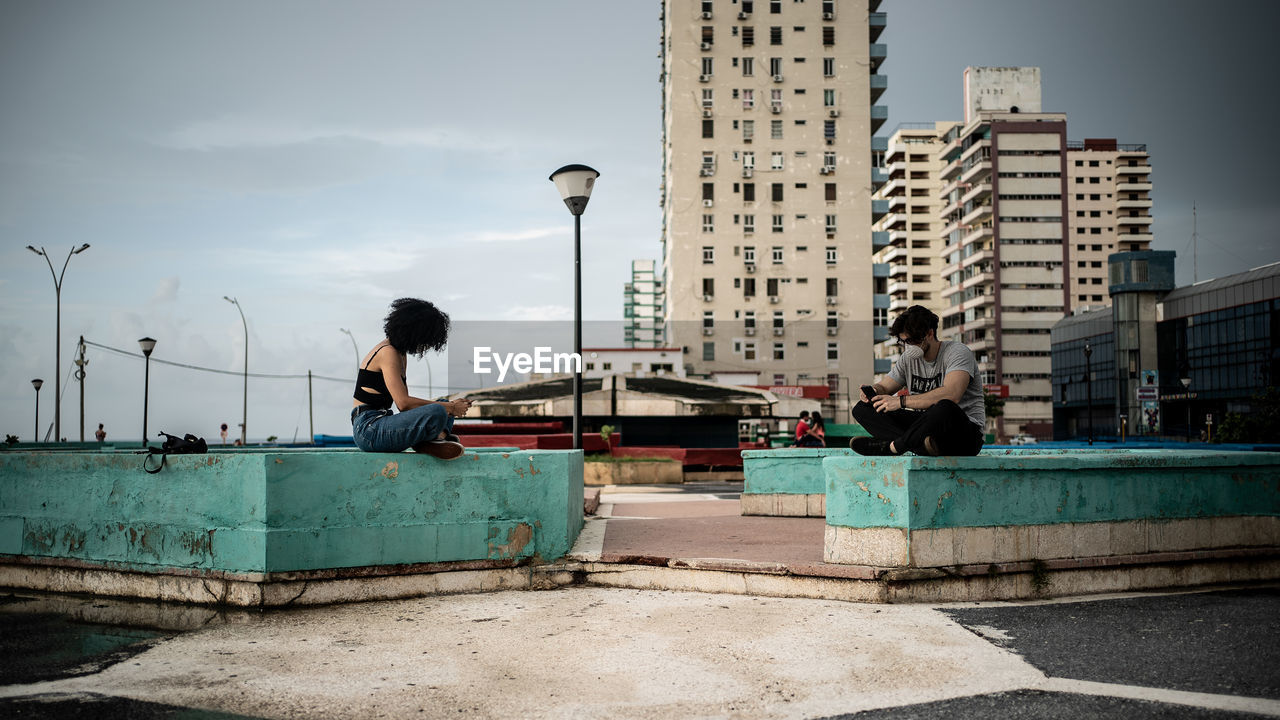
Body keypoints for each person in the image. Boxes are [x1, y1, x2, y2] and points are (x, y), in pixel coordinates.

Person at [850, 305, 985, 457]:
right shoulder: (908, 360)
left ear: (929, 333)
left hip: (963, 435)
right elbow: (884, 387)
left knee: (944, 407)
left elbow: (952, 394)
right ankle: (918, 446)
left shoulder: (957, 352)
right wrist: (874, 391)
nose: (908, 346)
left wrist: (900, 402)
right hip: (927, 434)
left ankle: (894, 447)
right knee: (863, 409)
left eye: (912, 340)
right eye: (904, 341)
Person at [352, 298, 472, 458]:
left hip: (382, 422)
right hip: (368, 429)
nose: (426, 345)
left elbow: (407, 406)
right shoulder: (387, 352)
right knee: (440, 409)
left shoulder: (400, 354)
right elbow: (403, 403)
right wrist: (451, 407)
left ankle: (433, 441)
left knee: (442, 404)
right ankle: (436, 439)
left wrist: (448, 406)